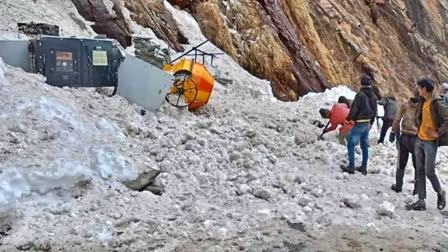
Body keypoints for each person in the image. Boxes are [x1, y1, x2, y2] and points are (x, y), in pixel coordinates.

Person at [406, 78, 447, 211]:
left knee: (429, 172)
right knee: (419, 171)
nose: (418, 90)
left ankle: (440, 193)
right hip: (419, 139)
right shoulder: (422, 101)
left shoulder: (437, 103)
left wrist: (438, 132)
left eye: (419, 87)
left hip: (430, 142)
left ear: (424, 88)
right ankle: (421, 200)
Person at [340, 75, 377, 175]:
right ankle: (364, 167)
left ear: (361, 83)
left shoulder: (360, 95)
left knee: (351, 144)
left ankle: (351, 167)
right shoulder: (373, 96)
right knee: (364, 146)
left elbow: (354, 109)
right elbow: (375, 111)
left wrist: (348, 119)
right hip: (367, 123)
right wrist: (371, 123)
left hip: (359, 123)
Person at [389, 89, 419, 194]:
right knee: (418, 165)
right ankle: (417, 189)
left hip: (405, 137)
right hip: (417, 139)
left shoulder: (405, 105)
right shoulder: (423, 107)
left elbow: (397, 119)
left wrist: (393, 131)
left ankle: (398, 186)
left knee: (401, 163)